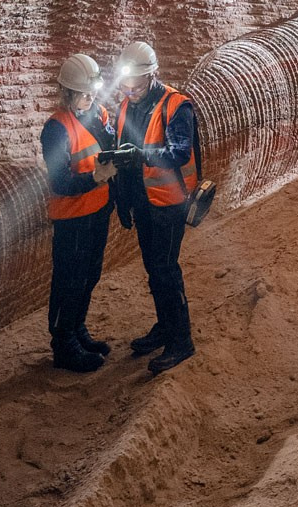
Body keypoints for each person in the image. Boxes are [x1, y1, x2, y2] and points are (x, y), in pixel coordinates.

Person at [108, 40, 200, 374]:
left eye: (135, 85)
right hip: (143, 204)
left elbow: (179, 152)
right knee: (154, 270)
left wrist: (142, 155)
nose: (129, 90)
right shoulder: (124, 107)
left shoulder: (177, 106)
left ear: (151, 76)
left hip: (169, 204)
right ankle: (166, 326)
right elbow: (120, 151)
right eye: (125, 84)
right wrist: (122, 200)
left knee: (165, 270)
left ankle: (181, 341)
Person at [38, 52, 123, 372]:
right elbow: (60, 181)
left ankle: (77, 329)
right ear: (68, 93)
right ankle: (63, 344)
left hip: (97, 211)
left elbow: (109, 148)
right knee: (69, 281)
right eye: (83, 94)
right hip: (72, 217)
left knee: (89, 275)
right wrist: (95, 178)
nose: (90, 98)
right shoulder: (56, 130)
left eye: (92, 92)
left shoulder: (97, 114)